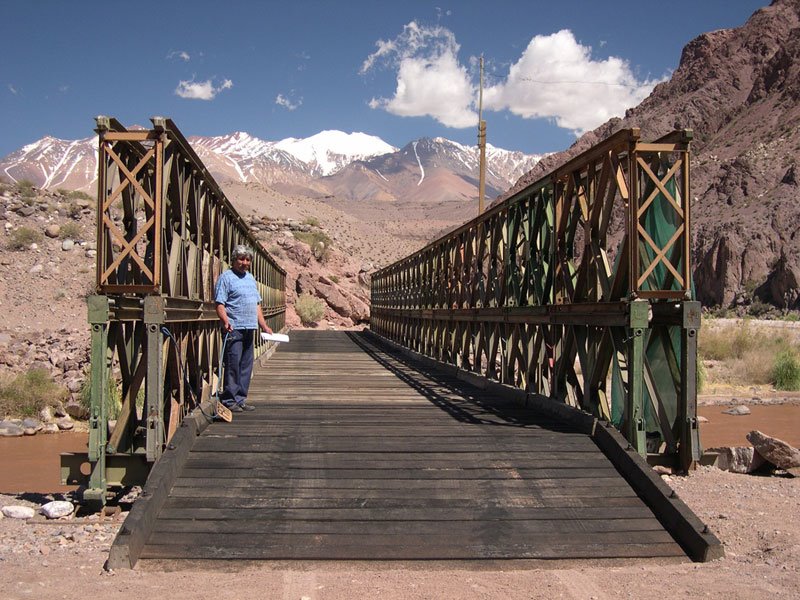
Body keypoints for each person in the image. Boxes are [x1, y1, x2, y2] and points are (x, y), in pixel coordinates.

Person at [214, 245, 273, 412]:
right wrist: (225, 320)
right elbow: (219, 303)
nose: (244, 263)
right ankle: (229, 400)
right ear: (233, 260)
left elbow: (256, 305)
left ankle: (240, 398)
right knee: (233, 364)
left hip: (250, 327)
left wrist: (264, 326)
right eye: (241, 259)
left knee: (246, 364)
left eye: (247, 260)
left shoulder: (250, 278)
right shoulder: (226, 278)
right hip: (234, 328)